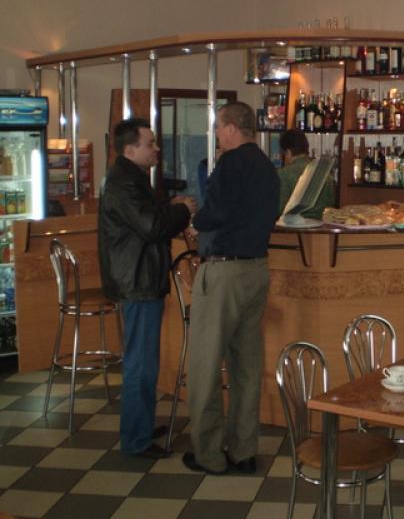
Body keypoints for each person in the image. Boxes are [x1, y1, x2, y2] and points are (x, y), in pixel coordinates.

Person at [183, 101, 280, 475]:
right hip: (257, 269)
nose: (216, 135)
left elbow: (216, 213)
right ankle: (244, 450)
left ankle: (208, 453)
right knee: (246, 366)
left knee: (206, 364)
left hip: (223, 271)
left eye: (218, 128)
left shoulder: (230, 163)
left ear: (230, 128)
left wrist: (195, 221)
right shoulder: (268, 167)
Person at [99, 118, 195, 459]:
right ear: (130, 150)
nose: (156, 148)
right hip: (137, 281)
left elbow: (146, 216)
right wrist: (182, 211)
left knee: (144, 361)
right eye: (150, 143)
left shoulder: (130, 177)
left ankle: (139, 426)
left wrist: (170, 206)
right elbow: (151, 226)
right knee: (140, 364)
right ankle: (136, 440)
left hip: (138, 277)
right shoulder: (125, 182)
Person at [277, 129, 335, 219]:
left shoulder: (283, 174)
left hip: (292, 227)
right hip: (322, 226)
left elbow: (280, 210)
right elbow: (331, 207)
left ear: (288, 152)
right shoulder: (325, 173)